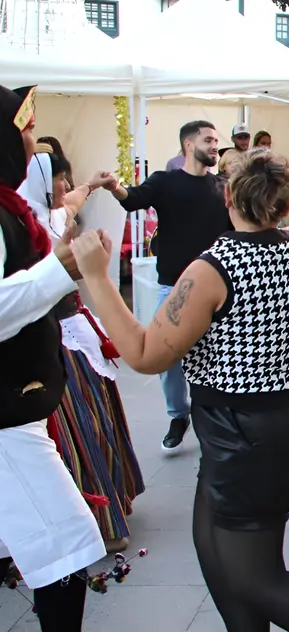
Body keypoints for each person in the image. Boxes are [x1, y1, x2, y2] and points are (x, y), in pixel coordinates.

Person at [77, 150, 289, 631]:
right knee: (219, 561)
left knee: (256, 577)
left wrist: (96, 275)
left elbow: (144, 354)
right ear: (287, 203)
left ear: (227, 195)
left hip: (245, 435)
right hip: (271, 425)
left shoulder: (213, 268)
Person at [0, 83, 106, 631]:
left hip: (16, 407)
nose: (31, 144)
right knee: (65, 545)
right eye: (22, 131)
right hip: (5, 422)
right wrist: (56, 270)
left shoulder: (9, 208)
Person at [19, 145, 144, 555]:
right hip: (51, 338)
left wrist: (94, 184)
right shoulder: (26, 222)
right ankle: (100, 522)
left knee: (95, 417)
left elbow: (70, 201)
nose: (66, 187)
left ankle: (112, 506)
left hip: (74, 330)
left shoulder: (50, 214)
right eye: (58, 178)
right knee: (77, 429)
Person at [101, 119, 233, 454]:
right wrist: (114, 186)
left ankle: (211, 419)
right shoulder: (165, 182)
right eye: (209, 140)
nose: (215, 146)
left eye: (217, 140)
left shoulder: (221, 187)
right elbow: (133, 199)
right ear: (189, 145)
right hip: (173, 287)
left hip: (215, 288)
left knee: (213, 357)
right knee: (166, 358)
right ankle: (179, 414)